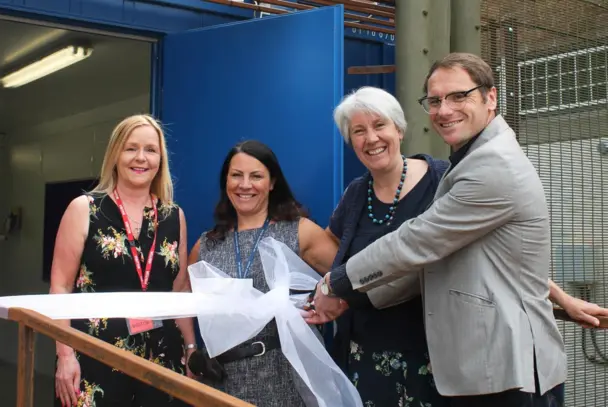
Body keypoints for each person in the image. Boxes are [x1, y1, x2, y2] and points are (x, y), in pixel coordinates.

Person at [306, 53, 608, 406]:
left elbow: (416, 243)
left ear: (490, 97)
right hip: (445, 362)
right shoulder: (365, 191)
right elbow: (463, 257)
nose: (445, 110)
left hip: (492, 364)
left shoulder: (484, 168)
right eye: (435, 101)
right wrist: (346, 297)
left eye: (459, 96)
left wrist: (335, 282)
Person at [50, 114, 196, 407]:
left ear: (160, 159)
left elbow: (179, 292)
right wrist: (64, 355)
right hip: (95, 357)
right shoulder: (84, 209)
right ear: (115, 154)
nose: (140, 158)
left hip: (163, 360)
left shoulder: (173, 216)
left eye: (150, 150)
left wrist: (191, 350)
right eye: (131, 148)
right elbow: (60, 288)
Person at [324, 86, 451, 407]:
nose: (371, 138)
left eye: (379, 125)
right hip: (363, 354)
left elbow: (483, 248)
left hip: (433, 355)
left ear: (399, 128)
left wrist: (557, 296)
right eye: (359, 131)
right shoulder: (355, 193)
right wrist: (328, 291)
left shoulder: (442, 181)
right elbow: (333, 249)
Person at [187, 140, 338, 406]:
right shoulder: (206, 245)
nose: (245, 185)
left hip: (285, 378)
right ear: (226, 182)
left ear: (272, 182)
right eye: (236, 175)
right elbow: (182, 303)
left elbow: (346, 279)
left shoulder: (299, 232)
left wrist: (327, 302)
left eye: (256, 176)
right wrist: (193, 350)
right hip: (221, 381)